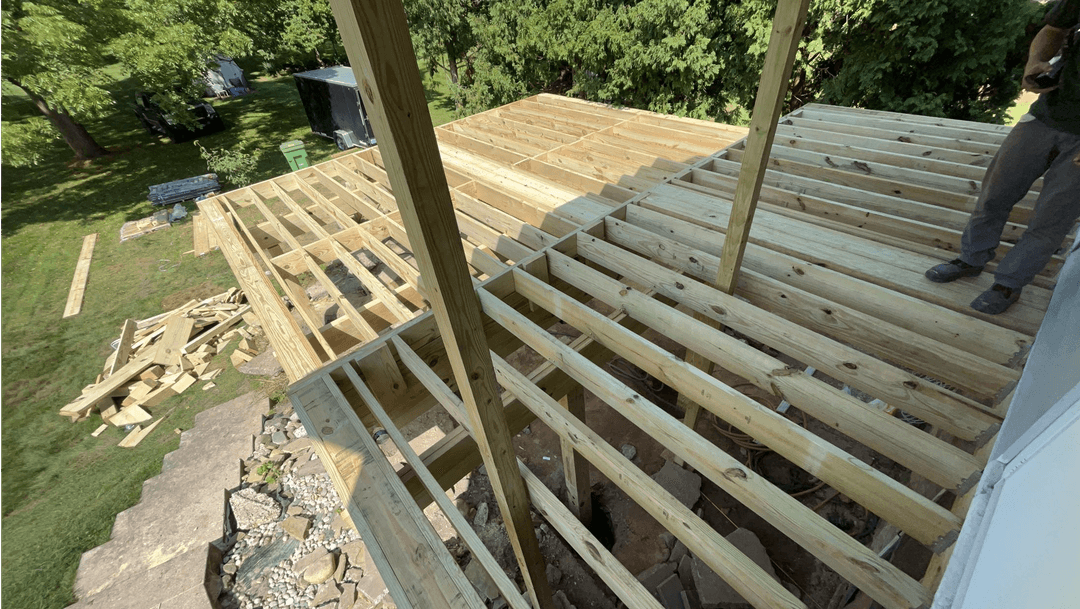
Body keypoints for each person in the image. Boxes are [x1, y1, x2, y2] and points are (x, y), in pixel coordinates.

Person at [925, 0, 1080, 314]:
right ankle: (971, 259)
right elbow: (1053, 29)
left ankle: (1008, 284)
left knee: (1051, 218)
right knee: (994, 193)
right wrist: (1036, 61)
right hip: (1045, 115)